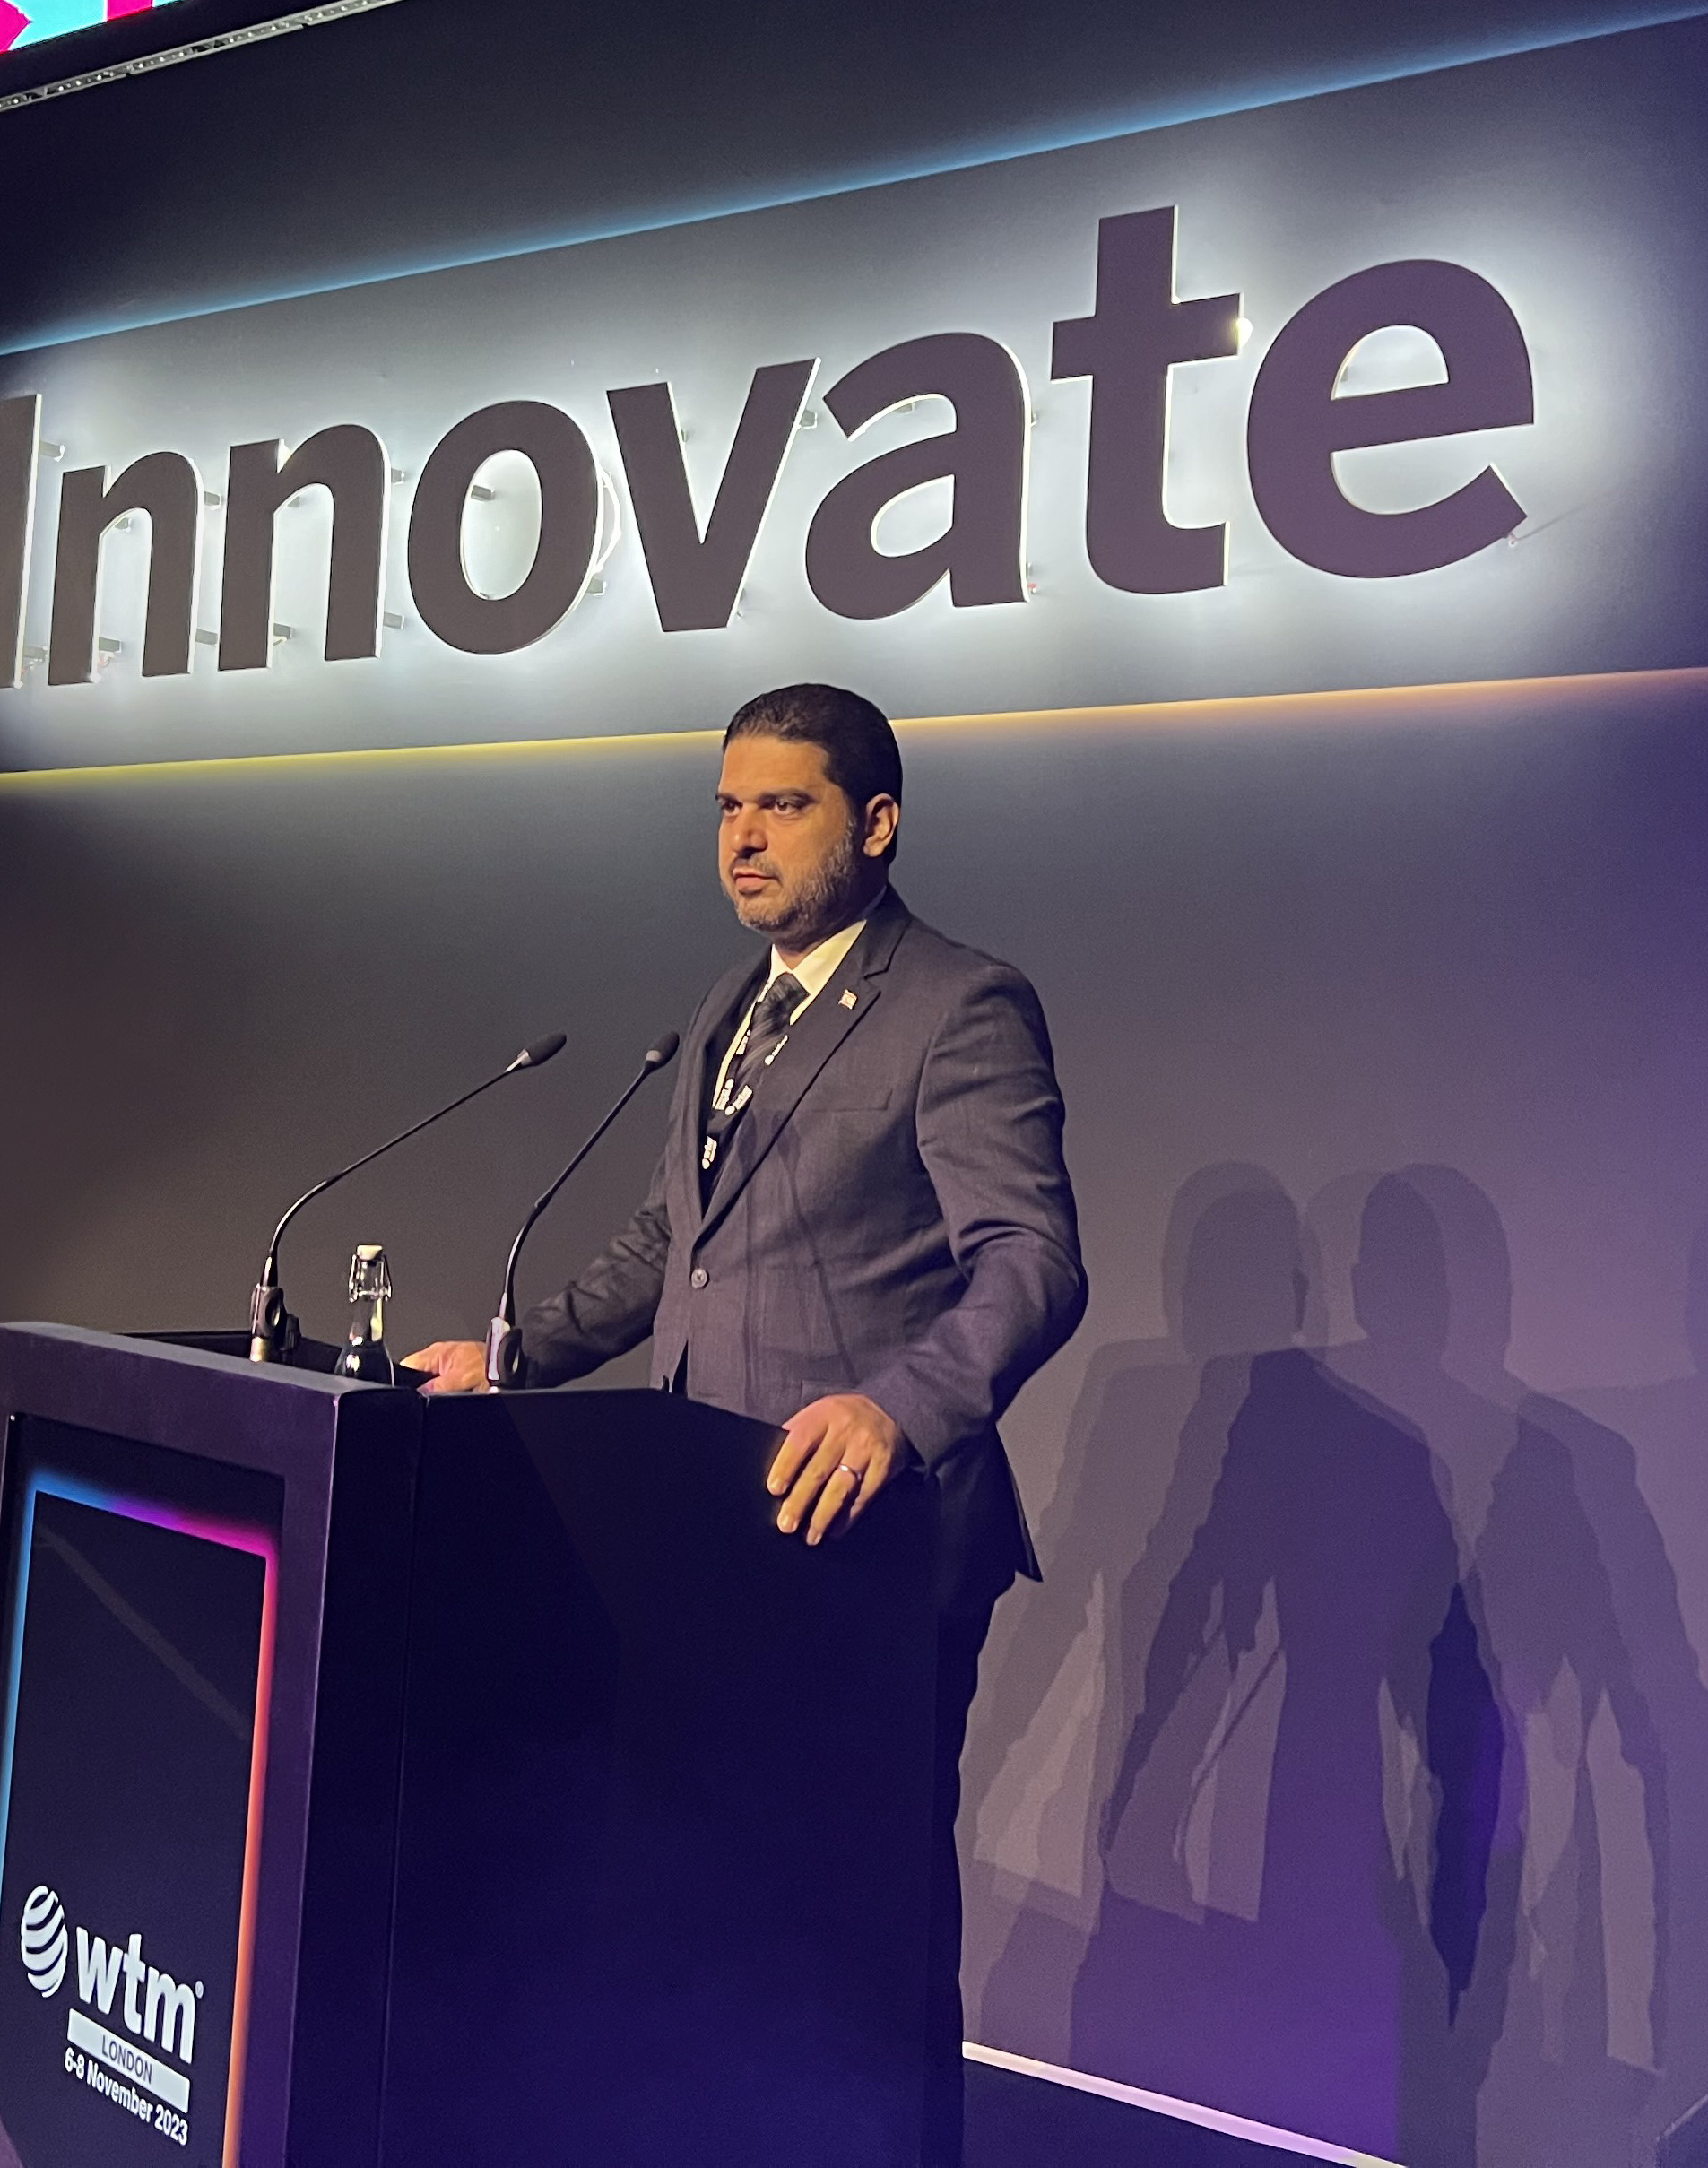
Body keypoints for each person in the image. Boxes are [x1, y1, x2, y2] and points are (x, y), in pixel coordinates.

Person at [405, 681, 1088, 2166]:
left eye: (784, 804)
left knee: (859, 1921)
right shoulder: (729, 1006)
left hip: (869, 1544)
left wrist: (898, 1408)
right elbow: (674, 1246)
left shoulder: (958, 1005)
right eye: (728, 806)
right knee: (719, 1907)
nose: (744, 837)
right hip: (716, 1535)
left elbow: (1031, 1260)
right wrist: (515, 1356)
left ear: (876, 823)